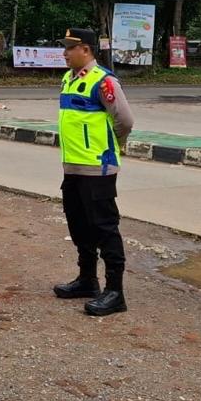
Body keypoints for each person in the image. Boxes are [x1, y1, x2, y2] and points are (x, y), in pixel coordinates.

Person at [51, 27, 134, 317]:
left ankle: (115, 291)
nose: (64, 53)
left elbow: (125, 121)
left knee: (104, 227)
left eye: (69, 48)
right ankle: (87, 279)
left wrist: (111, 147)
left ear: (85, 49)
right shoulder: (69, 79)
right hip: (72, 167)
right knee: (79, 224)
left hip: (98, 168)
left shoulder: (104, 81)